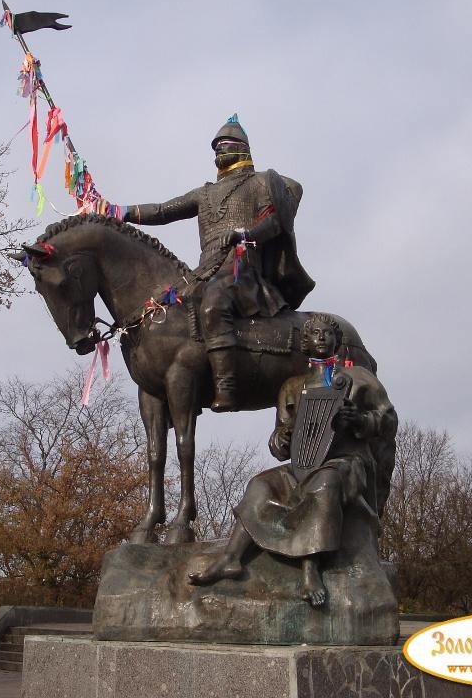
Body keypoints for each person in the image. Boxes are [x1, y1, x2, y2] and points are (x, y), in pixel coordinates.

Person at [187, 314, 396, 607]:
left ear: (337, 341)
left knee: (325, 483)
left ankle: (310, 569)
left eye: (327, 333)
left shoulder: (358, 378)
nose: (321, 338)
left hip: (346, 463)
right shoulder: (292, 387)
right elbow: (281, 439)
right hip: (302, 466)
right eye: (314, 334)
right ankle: (230, 559)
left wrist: (360, 419)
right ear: (305, 344)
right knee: (260, 485)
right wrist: (279, 440)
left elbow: (387, 420)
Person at [124, 116, 314, 411]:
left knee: (214, 303)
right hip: (203, 273)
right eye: (215, 148)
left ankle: (226, 386)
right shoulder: (204, 193)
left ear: (242, 148)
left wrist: (245, 233)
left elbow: (278, 219)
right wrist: (119, 211)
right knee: (164, 311)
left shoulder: (261, 182)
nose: (217, 153)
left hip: (242, 271)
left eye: (223, 146)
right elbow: (162, 211)